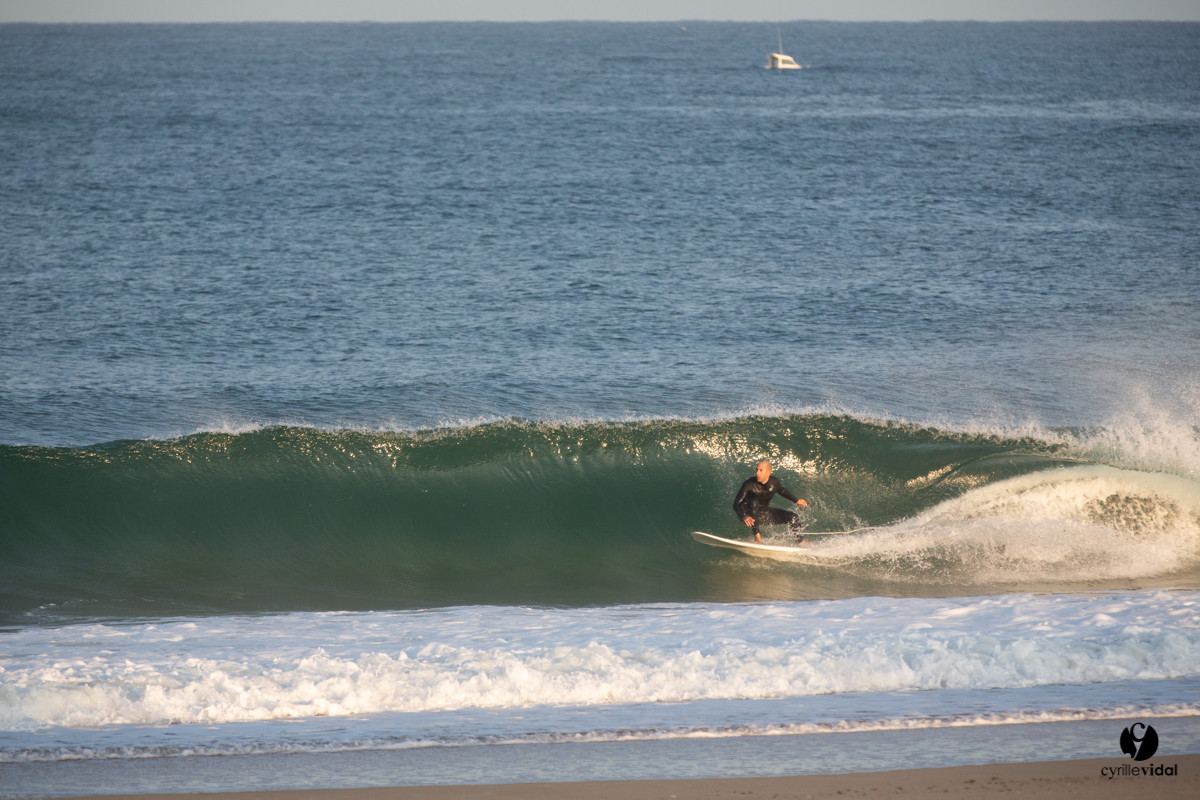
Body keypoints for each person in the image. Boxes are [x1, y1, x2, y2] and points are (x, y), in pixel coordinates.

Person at [732, 460, 808, 543]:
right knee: (754, 501)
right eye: (756, 470)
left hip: (763, 514)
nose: (757, 473)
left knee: (793, 517)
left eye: (761, 470)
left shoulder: (774, 482)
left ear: (768, 473)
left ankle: (800, 541)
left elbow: (782, 491)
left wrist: (796, 500)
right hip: (748, 515)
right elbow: (736, 503)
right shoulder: (749, 484)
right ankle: (757, 538)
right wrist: (744, 516)